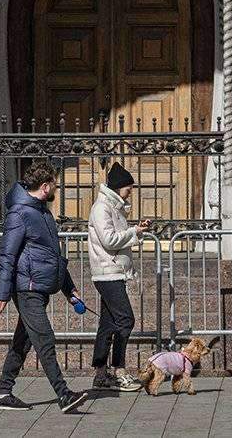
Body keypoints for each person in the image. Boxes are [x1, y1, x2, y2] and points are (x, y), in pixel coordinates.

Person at [0, 160, 88, 413]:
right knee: (44, 338)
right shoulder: (19, 213)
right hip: (27, 288)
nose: (56, 188)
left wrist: (69, 289)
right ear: (45, 186)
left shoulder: (43, 213)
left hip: (41, 286)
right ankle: (64, 394)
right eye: (54, 183)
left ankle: (3, 393)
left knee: (23, 341)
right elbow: (7, 255)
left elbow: (53, 256)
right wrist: (1, 293)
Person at [88, 162, 152, 391]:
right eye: (128, 188)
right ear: (118, 187)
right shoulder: (102, 208)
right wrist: (134, 231)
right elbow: (109, 240)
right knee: (126, 319)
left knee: (108, 324)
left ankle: (100, 374)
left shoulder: (114, 208)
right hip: (107, 272)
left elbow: (117, 236)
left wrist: (136, 230)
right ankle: (119, 369)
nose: (130, 192)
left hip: (114, 271)